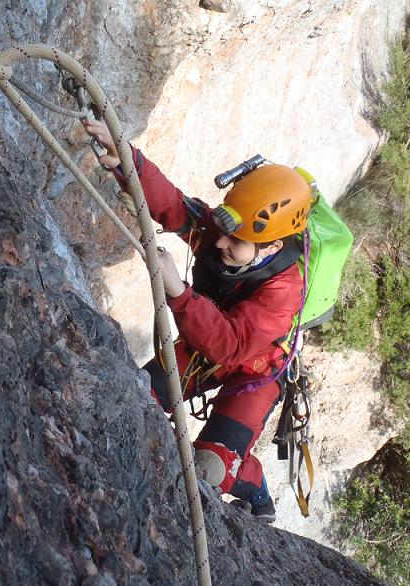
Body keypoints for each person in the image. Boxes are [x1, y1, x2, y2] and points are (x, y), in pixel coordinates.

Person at [83, 119, 312, 522]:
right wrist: (128, 161)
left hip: (256, 370)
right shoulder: (224, 234)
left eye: (237, 240)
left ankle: (255, 487)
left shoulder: (284, 290)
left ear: (274, 245)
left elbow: (232, 345)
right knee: (135, 394)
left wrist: (178, 292)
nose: (221, 242)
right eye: (225, 228)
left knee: (211, 470)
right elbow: (174, 206)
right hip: (206, 349)